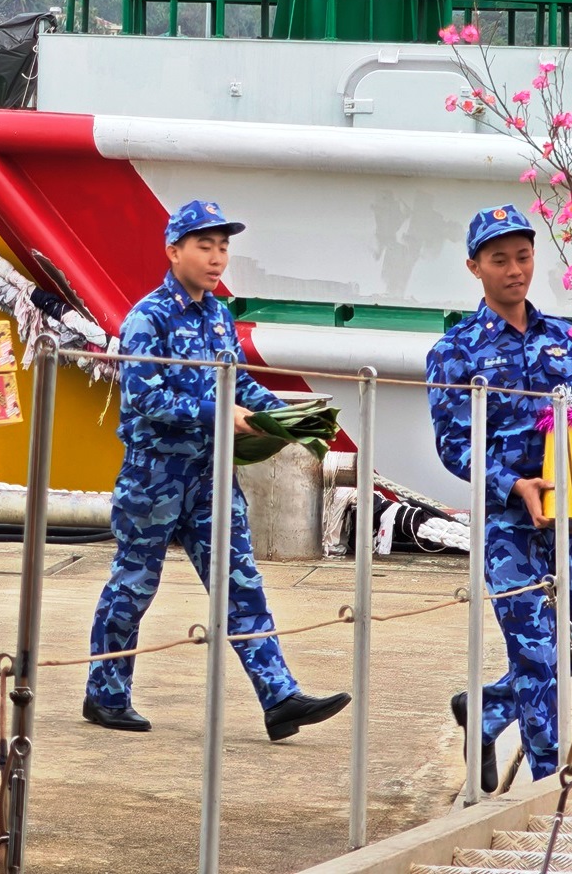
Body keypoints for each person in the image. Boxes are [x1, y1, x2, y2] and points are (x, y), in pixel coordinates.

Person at [83, 199, 350, 741]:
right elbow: (145, 397)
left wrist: (282, 417)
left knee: (240, 583)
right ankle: (105, 694)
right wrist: (219, 412)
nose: (216, 257)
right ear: (173, 251)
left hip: (210, 475)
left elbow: (238, 382)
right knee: (134, 586)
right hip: (155, 476)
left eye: (223, 247)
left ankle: (279, 698)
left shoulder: (218, 316)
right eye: (204, 246)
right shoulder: (147, 319)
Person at [425, 203, 572, 792]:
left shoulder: (568, 342)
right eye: (499, 260)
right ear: (474, 267)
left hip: (570, 517)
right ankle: (551, 784)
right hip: (507, 524)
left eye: (523, 257)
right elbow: (454, 446)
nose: (514, 270)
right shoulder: (454, 352)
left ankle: (485, 713)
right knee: (534, 653)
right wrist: (512, 484)